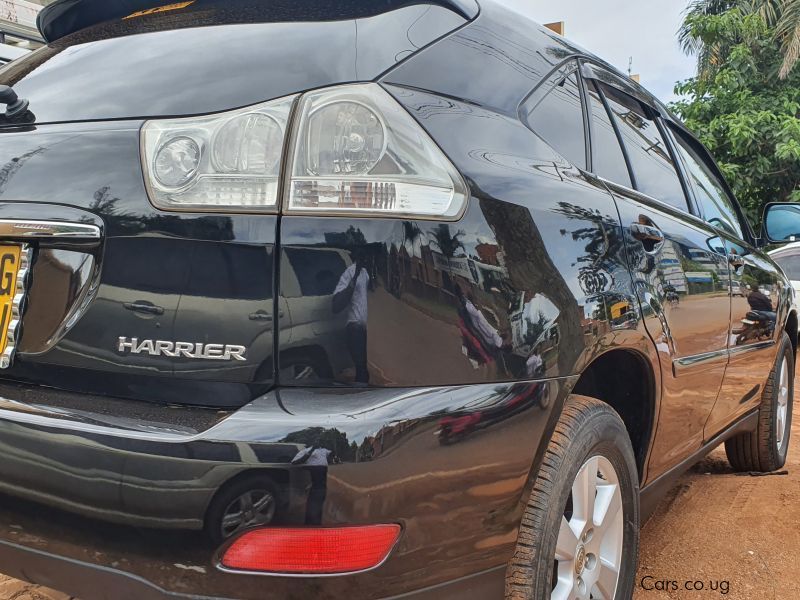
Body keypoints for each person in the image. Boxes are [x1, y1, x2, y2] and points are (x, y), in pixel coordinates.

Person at [333, 253, 370, 384]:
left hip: (363, 327)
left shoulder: (365, 273)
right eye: (362, 256)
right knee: (361, 368)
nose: (365, 259)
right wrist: (354, 276)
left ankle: (362, 388)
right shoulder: (350, 272)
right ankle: (360, 394)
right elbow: (336, 303)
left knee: (363, 365)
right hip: (354, 326)